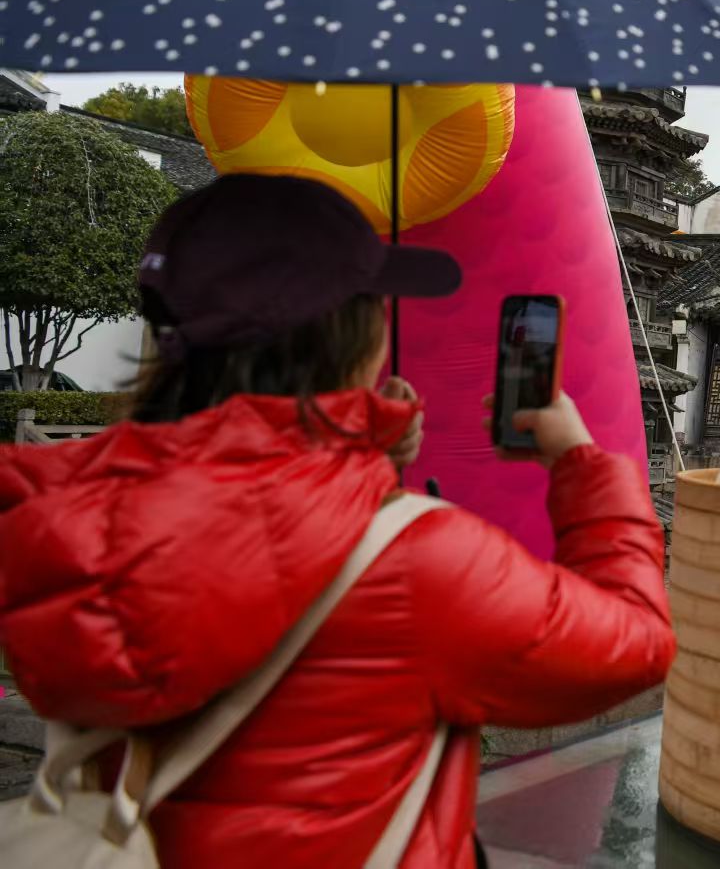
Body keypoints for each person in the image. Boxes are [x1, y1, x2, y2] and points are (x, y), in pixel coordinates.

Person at [0, 174, 674, 867]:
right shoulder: (417, 560)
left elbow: (242, 516)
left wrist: (355, 452)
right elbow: (636, 642)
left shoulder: (59, 507)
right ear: (354, 335)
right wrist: (582, 464)